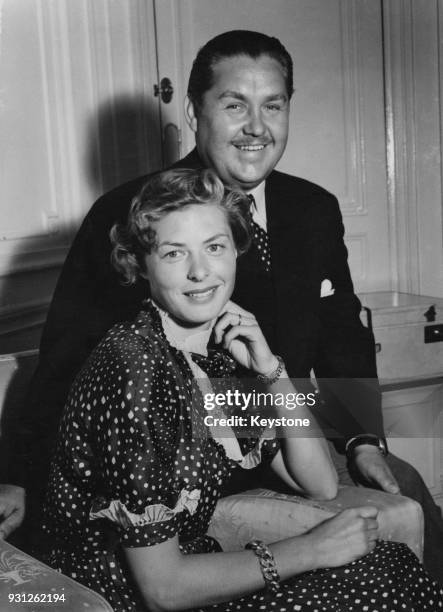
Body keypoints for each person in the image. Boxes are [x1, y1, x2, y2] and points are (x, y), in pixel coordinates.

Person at [1, 29, 442, 581]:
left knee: (413, 492)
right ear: (194, 111)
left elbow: (340, 332)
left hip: (297, 436)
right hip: (192, 473)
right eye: (235, 105)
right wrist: (19, 474)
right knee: (392, 534)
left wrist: (362, 441)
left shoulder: (314, 208)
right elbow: (67, 356)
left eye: (273, 105)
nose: (257, 127)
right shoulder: (128, 214)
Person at [41, 167, 443, 612]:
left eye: (214, 247)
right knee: (382, 584)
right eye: (174, 254)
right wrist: (312, 550)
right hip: (109, 595)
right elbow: (162, 590)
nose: (200, 271)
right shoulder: (134, 367)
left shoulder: (212, 353)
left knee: (391, 565)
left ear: (236, 251)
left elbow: (321, 483)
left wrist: (272, 370)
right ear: (140, 264)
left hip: (191, 568)